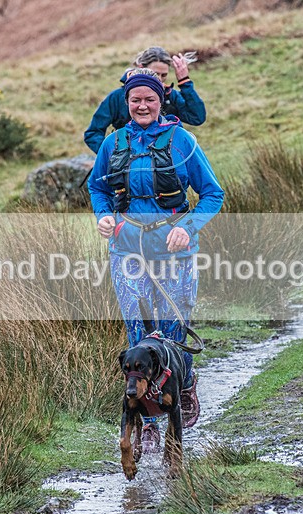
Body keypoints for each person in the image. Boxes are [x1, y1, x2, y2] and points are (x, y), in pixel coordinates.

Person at [87, 68, 224, 450]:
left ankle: (183, 386)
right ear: (127, 104)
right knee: (138, 333)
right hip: (126, 247)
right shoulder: (112, 144)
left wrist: (190, 227)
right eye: (135, 100)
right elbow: (97, 186)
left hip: (175, 249)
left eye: (149, 99)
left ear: (160, 100)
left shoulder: (183, 141)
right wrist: (104, 216)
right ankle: (146, 418)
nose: (142, 105)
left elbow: (213, 193)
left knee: (172, 332)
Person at [84, 46, 207, 154]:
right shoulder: (117, 97)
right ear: (141, 67)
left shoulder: (170, 95)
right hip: (125, 165)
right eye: (155, 73)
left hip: (166, 163)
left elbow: (197, 117)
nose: (159, 79)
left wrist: (184, 81)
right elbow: (93, 133)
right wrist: (112, 156)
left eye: (164, 75)